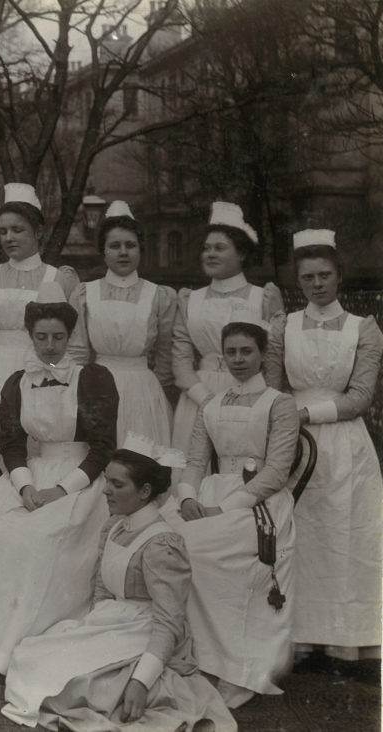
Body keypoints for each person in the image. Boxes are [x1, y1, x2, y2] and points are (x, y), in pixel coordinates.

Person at [2, 435, 236, 731]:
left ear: (145, 491)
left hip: (146, 631)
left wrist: (141, 680)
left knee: (70, 686)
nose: (106, 492)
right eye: (106, 482)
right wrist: (98, 627)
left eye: (117, 485)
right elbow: (103, 587)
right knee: (31, 659)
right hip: (114, 623)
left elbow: (169, 621)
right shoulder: (115, 525)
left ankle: (133, 690)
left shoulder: (162, 545)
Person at [0, 300, 117, 674]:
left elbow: (103, 447)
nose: (49, 346)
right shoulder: (17, 382)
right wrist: (24, 487)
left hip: (80, 476)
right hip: (33, 474)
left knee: (45, 538)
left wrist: (63, 489)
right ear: (30, 337)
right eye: (41, 337)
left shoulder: (93, 378)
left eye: (58, 337)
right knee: (1, 534)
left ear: (69, 337)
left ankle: (39, 647)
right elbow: (12, 445)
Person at [164, 319, 299, 708]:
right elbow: (194, 460)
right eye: (231, 352)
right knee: (169, 541)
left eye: (247, 351)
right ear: (222, 356)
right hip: (209, 495)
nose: (238, 359)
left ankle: (232, 665)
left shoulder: (280, 403)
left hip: (258, 504)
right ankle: (191, 657)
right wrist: (188, 497)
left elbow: (276, 472)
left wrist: (221, 509)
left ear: (261, 355)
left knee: (204, 551)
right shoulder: (212, 402)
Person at [266, 229, 383, 667]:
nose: (317, 284)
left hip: (343, 444)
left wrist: (308, 414)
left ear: (339, 277)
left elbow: (359, 397)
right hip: (292, 445)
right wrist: (284, 421)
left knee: (343, 536)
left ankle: (345, 639)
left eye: (325, 275)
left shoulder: (362, 329)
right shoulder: (284, 327)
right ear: (299, 281)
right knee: (299, 535)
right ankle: (298, 637)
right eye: (308, 277)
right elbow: (274, 388)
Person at [0, 183, 79, 557]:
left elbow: (73, 343)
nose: (9, 238)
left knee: (36, 459)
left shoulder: (60, 278)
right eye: (3, 231)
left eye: (18, 230)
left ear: (38, 231)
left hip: (44, 373)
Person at [170, 201, 284, 457]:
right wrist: (205, 398)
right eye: (206, 248)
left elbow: (274, 358)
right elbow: (181, 360)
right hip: (199, 394)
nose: (210, 254)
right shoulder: (190, 300)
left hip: (250, 394)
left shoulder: (262, 298)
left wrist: (268, 404)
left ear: (241, 253)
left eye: (220, 248)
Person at [67, 200, 176, 447]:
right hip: (97, 387)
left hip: (143, 391)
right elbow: (77, 352)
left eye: (130, 245)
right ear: (103, 251)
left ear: (140, 249)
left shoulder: (158, 295)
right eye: (115, 246)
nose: (123, 252)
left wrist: (154, 393)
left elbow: (165, 354)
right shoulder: (85, 293)